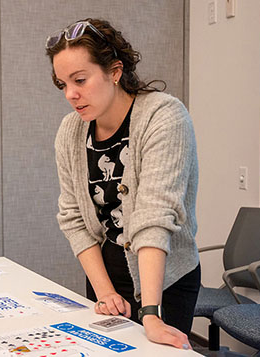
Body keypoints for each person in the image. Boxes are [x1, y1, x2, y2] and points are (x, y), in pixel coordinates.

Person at [46, 19, 200, 349]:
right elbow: (73, 218)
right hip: (107, 269)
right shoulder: (70, 131)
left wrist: (152, 313)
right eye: (62, 84)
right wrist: (104, 292)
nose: (71, 94)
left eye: (80, 80)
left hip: (164, 275)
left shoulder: (164, 117)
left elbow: (153, 218)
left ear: (115, 71)